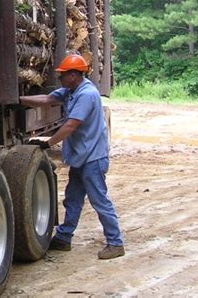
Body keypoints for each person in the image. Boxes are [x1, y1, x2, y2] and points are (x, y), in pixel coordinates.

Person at [20, 55, 124, 260]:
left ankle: (116, 243)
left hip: (93, 158)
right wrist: (19, 99)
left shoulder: (87, 94)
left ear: (74, 75)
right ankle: (64, 237)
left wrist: (47, 143)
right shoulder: (71, 90)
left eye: (63, 75)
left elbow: (71, 125)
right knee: (73, 199)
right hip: (81, 157)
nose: (59, 78)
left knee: (100, 201)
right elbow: (48, 99)